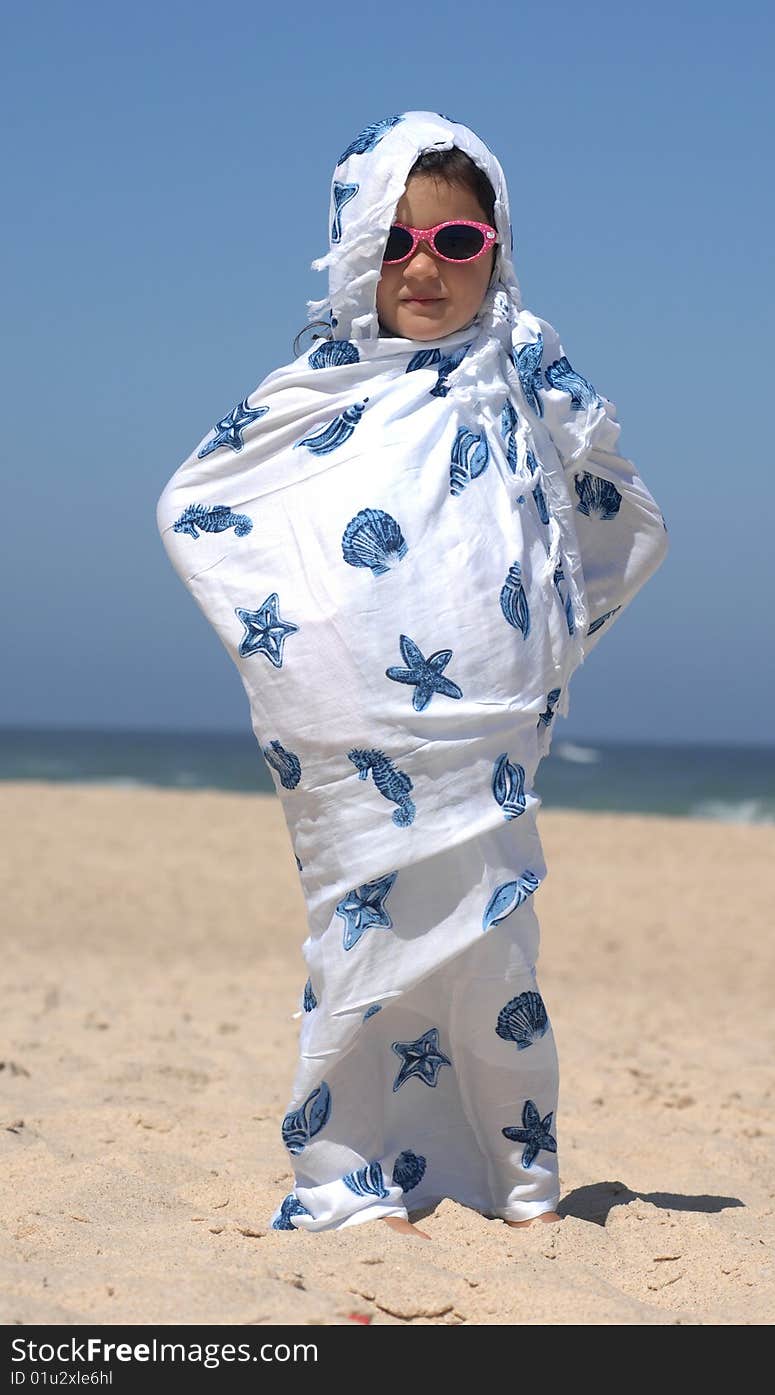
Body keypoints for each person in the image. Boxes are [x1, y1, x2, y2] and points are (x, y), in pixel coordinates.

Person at [155, 111, 669, 1239]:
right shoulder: (312, 396)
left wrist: (539, 640)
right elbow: (199, 509)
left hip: (487, 740)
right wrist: (316, 672)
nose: (423, 269)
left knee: (493, 958)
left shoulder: (520, 380)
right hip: (353, 747)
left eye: (456, 243)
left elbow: (616, 520)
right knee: (361, 955)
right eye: (394, 244)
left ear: (496, 250)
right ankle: (343, 1183)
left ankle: (511, 1182)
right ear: (353, 254)